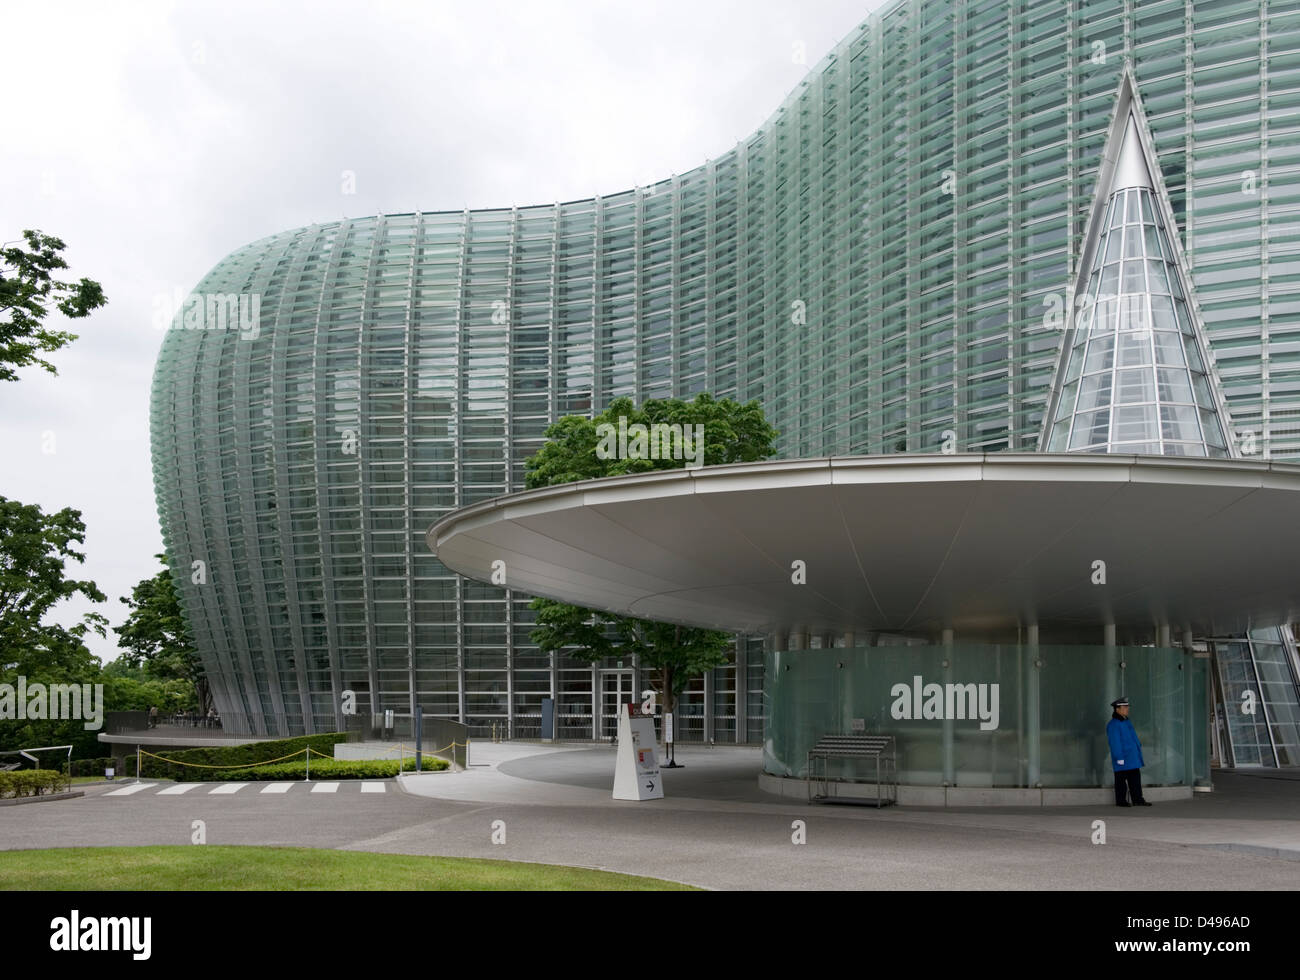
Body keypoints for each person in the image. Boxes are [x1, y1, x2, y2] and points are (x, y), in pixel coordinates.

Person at [1107, 697, 1151, 806]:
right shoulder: (1113, 724)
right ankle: (1121, 801)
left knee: (1135, 780)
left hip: (1132, 757)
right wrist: (1119, 757)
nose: (1127, 709)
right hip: (1123, 757)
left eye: (1127, 707)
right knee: (1121, 781)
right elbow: (1115, 743)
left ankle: (1138, 799)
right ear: (1117, 709)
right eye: (1125, 707)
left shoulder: (1126, 721)